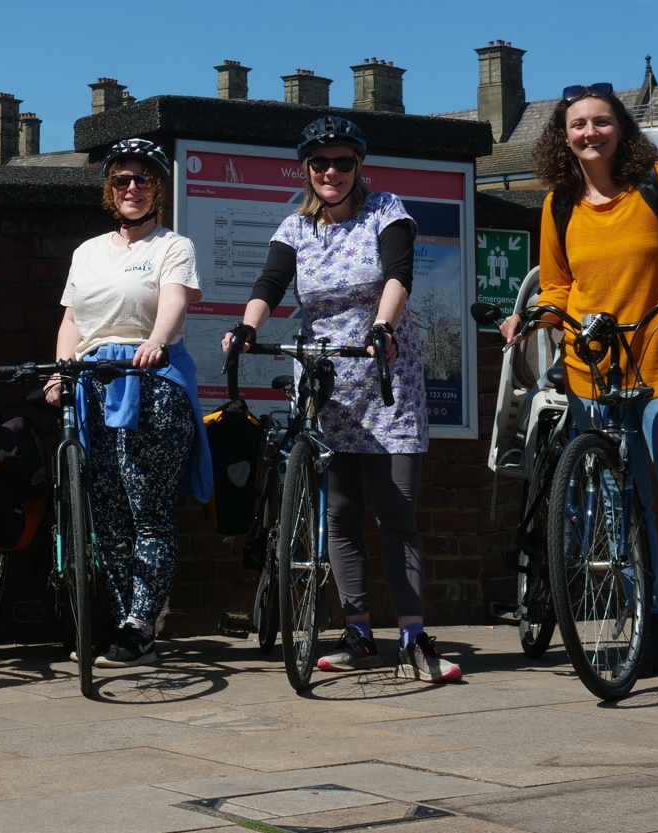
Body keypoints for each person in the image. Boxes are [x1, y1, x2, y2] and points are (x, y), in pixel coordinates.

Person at [503, 83, 658, 689]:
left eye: (601, 122)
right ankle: (650, 635)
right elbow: (559, 286)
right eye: (577, 125)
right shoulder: (559, 203)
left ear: (622, 128)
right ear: (561, 137)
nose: (590, 133)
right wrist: (532, 314)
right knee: (622, 510)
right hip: (596, 369)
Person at [222, 116, 459, 684]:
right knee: (343, 516)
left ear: (360, 167)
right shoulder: (296, 228)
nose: (332, 172)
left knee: (396, 514)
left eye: (343, 162)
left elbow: (398, 275)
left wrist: (383, 326)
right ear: (307, 169)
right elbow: (270, 285)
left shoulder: (387, 211)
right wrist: (248, 328)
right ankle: (356, 632)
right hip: (324, 380)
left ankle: (412, 636)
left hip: (383, 376)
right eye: (321, 163)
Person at [48, 138, 212, 668]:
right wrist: (59, 372)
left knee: (148, 508)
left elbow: (173, 303)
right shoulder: (88, 252)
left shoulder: (173, 246)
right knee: (109, 515)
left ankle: (142, 622)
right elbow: (73, 320)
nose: (133, 188)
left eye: (143, 179)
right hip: (93, 381)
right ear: (109, 189)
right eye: (122, 179)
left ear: (158, 188)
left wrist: (155, 342)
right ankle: (124, 621)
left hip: (151, 378)